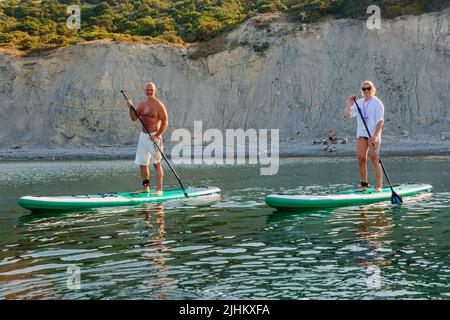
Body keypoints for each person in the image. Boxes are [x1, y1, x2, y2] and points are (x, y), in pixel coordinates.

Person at [127, 83, 169, 194]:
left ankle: (159, 189)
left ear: (154, 91)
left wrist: (156, 135)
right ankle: (146, 187)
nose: (149, 91)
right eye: (147, 90)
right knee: (143, 163)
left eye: (151, 90)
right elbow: (134, 118)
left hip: (154, 136)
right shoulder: (142, 104)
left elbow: (165, 123)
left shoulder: (159, 105)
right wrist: (130, 108)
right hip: (143, 137)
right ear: (145, 91)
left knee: (156, 163)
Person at [343, 80, 385, 192]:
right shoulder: (359, 102)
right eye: (364, 89)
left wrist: (376, 135)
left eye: (368, 88)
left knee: (374, 159)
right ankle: (364, 184)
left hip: (373, 135)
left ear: (372, 89)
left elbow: (380, 121)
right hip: (361, 134)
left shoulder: (377, 103)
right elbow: (346, 115)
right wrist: (349, 103)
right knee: (361, 159)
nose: (366, 91)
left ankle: (379, 186)